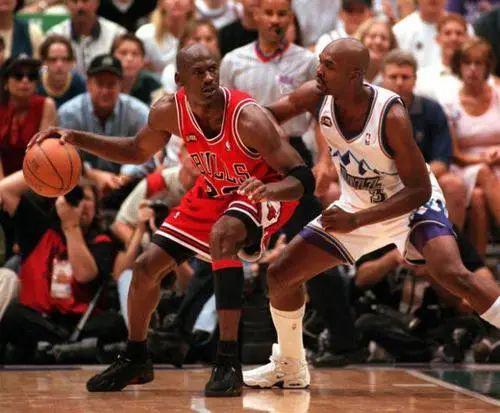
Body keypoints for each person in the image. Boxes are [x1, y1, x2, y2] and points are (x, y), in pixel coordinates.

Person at [31, 43, 313, 397]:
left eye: (212, 69)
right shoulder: (169, 111)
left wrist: (270, 192)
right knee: (146, 266)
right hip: (215, 190)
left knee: (223, 234)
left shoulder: (248, 117)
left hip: (263, 189)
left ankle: (227, 360)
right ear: (180, 80)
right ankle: (136, 357)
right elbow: (135, 150)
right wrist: (75, 138)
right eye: (199, 72)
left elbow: (303, 178)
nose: (208, 77)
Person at [242, 38, 500, 389]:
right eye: (320, 62)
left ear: (355, 75)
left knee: (453, 275)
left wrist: (357, 221)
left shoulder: (390, 115)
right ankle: (290, 365)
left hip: (410, 204)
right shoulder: (316, 94)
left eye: (329, 65)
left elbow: (420, 189)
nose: (319, 70)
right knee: (281, 275)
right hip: (357, 204)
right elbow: (265, 116)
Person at [0, 172, 126, 362]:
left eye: (87, 198)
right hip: (39, 319)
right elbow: (5, 190)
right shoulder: (39, 230)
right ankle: (64, 349)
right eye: (74, 198)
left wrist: (71, 227)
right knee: (13, 314)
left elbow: (84, 275)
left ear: (96, 207)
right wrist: (54, 169)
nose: (80, 204)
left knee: (115, 323)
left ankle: (56, 349)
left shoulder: (103, 242)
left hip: (80, 323)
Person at [439, 38, 500, 250]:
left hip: (498, 162)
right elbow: (454, 154)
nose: (472, 69)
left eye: (478, 63)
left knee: (478, 197)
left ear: (487, 67)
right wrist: (482, 160)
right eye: (467, 63)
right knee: (483, 172)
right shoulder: (449, 102)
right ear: (459, 66)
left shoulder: (499, 95)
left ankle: (478, 266)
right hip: (465, 166)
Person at [0, 55, 57, 178]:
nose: (25, 80)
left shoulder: (46, 105)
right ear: (5, 81)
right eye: (18, 76)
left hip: (36, 175)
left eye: (32, 76)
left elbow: (42, 155)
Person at [47, 0, 126, 75]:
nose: (80, 6)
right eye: (74, 1)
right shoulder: (54, 35)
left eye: (85, 1)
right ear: (67, 4)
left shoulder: (116, 34)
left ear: (97, 3)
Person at [415, 13, 469, 102]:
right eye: (447, 33)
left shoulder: (478, 76)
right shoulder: (423, 77)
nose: (454, 38)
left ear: (467, 38)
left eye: (459, 33)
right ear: (438, 39)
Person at [135, 0, 195, 75]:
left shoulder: (200, 34)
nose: (177, 1)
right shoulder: (146, 34)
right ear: (161, 3)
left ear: (191, 4)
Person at [111, 33, 163, 106]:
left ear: (143, 61)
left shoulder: (154, 84)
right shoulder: (103, 81)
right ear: (112, 57)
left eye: (135, 54)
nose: (129, 59)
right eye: (123, 53)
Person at [37, 35, 87, 108]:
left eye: (65, 59)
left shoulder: (80, 84)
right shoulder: (35, 83)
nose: (59, 65)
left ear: (72, 62)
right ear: (44, 62)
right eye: (53, 60)